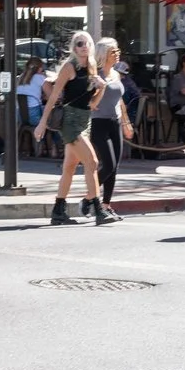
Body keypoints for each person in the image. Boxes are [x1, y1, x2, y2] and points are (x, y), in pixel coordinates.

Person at [35, 30, 117, 226]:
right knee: (92, 162)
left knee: (70, 168)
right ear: (73, 48)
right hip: (70, 121)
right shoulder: (69, 67)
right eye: (79, 44)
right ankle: (98, 210)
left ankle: (58, 211)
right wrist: (42, 123)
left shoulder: (91, 67)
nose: (83, 46)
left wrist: (102, 87)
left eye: (87, 43)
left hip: (84, 119)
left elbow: (93, 104)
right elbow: (53, 96)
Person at [90, 37, 138, 211]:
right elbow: (90, 100)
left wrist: (126, 123)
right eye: (113, 51)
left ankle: (105, 204)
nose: (117, 54)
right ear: (104, 54)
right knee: (108, 164)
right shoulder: (95, 75)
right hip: (98, 122)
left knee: (115, 166)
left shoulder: (116, 74)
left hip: (115, 121)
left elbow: (120, 102)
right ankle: (89, 198)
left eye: (118, 50)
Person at [17, 56, 49, 132]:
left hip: (19, 115)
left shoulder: (19, 78)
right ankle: (55, 143)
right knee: (55, 122)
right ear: (39, 68)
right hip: (34, 115)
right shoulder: (40, 77)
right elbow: (53, 96)